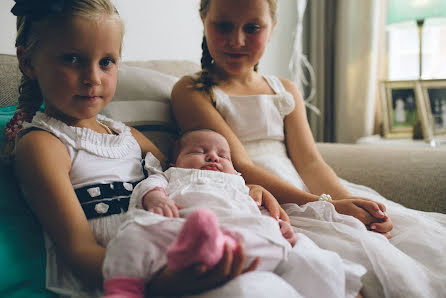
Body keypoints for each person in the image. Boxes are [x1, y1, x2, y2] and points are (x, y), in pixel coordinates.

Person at [7, 1, 293, 297]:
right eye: (72, 59)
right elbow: (79, 251)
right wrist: (160, 284)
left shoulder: (126, 135)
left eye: (106, 62)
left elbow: (184, 179)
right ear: (28, 62)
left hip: (180, 255)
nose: (93, 77)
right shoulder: (43, 144)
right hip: (118, 280)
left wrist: (244, 190)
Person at [170, 0, 446, 297]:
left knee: (409, 247)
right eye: (223, 26)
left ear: (273, 27)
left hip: (309, 191)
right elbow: (242, 166)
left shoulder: (285, 90)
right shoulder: (192, 90)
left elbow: (311, 163)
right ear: (203, 20)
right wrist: (323, 207)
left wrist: (348, 204)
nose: (237, 40)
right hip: (265, 200)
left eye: (252, 28)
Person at [102, 128, 365, 298]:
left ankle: (216, 248)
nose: (212, 158)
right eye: (199, 151)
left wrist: (277, 225)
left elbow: (255, 210)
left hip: (242, 234)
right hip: (181, 228)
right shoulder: (171, 176)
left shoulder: (240, 183)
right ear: (174, 163)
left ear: (235, 168)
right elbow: (150, 185)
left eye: (222, 155)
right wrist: (156, 197)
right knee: (134, 231)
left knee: (306, 255)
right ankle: (124, 288)